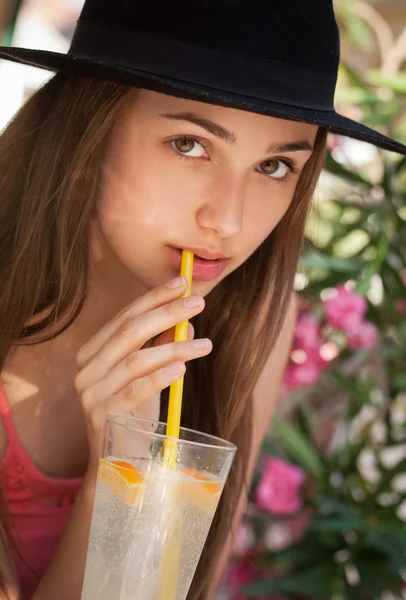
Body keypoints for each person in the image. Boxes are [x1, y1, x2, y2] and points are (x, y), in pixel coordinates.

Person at [0, 1, 404, 599]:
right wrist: (118, 480)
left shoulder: (254, 319)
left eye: (273, 165)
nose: (228, 220)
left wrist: (128, 465)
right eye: (189, 144)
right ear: (89, 124)